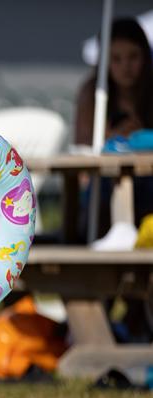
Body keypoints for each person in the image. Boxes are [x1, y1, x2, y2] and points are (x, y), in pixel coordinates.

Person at [74, 16, 153, 243]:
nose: (125, 67)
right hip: (104, 186)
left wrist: (139, 136)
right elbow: (83, 146)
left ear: (145, 57)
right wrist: (109, 137)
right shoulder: (93, 93)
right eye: (116, 59)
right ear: (104, 62)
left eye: (133, 57)